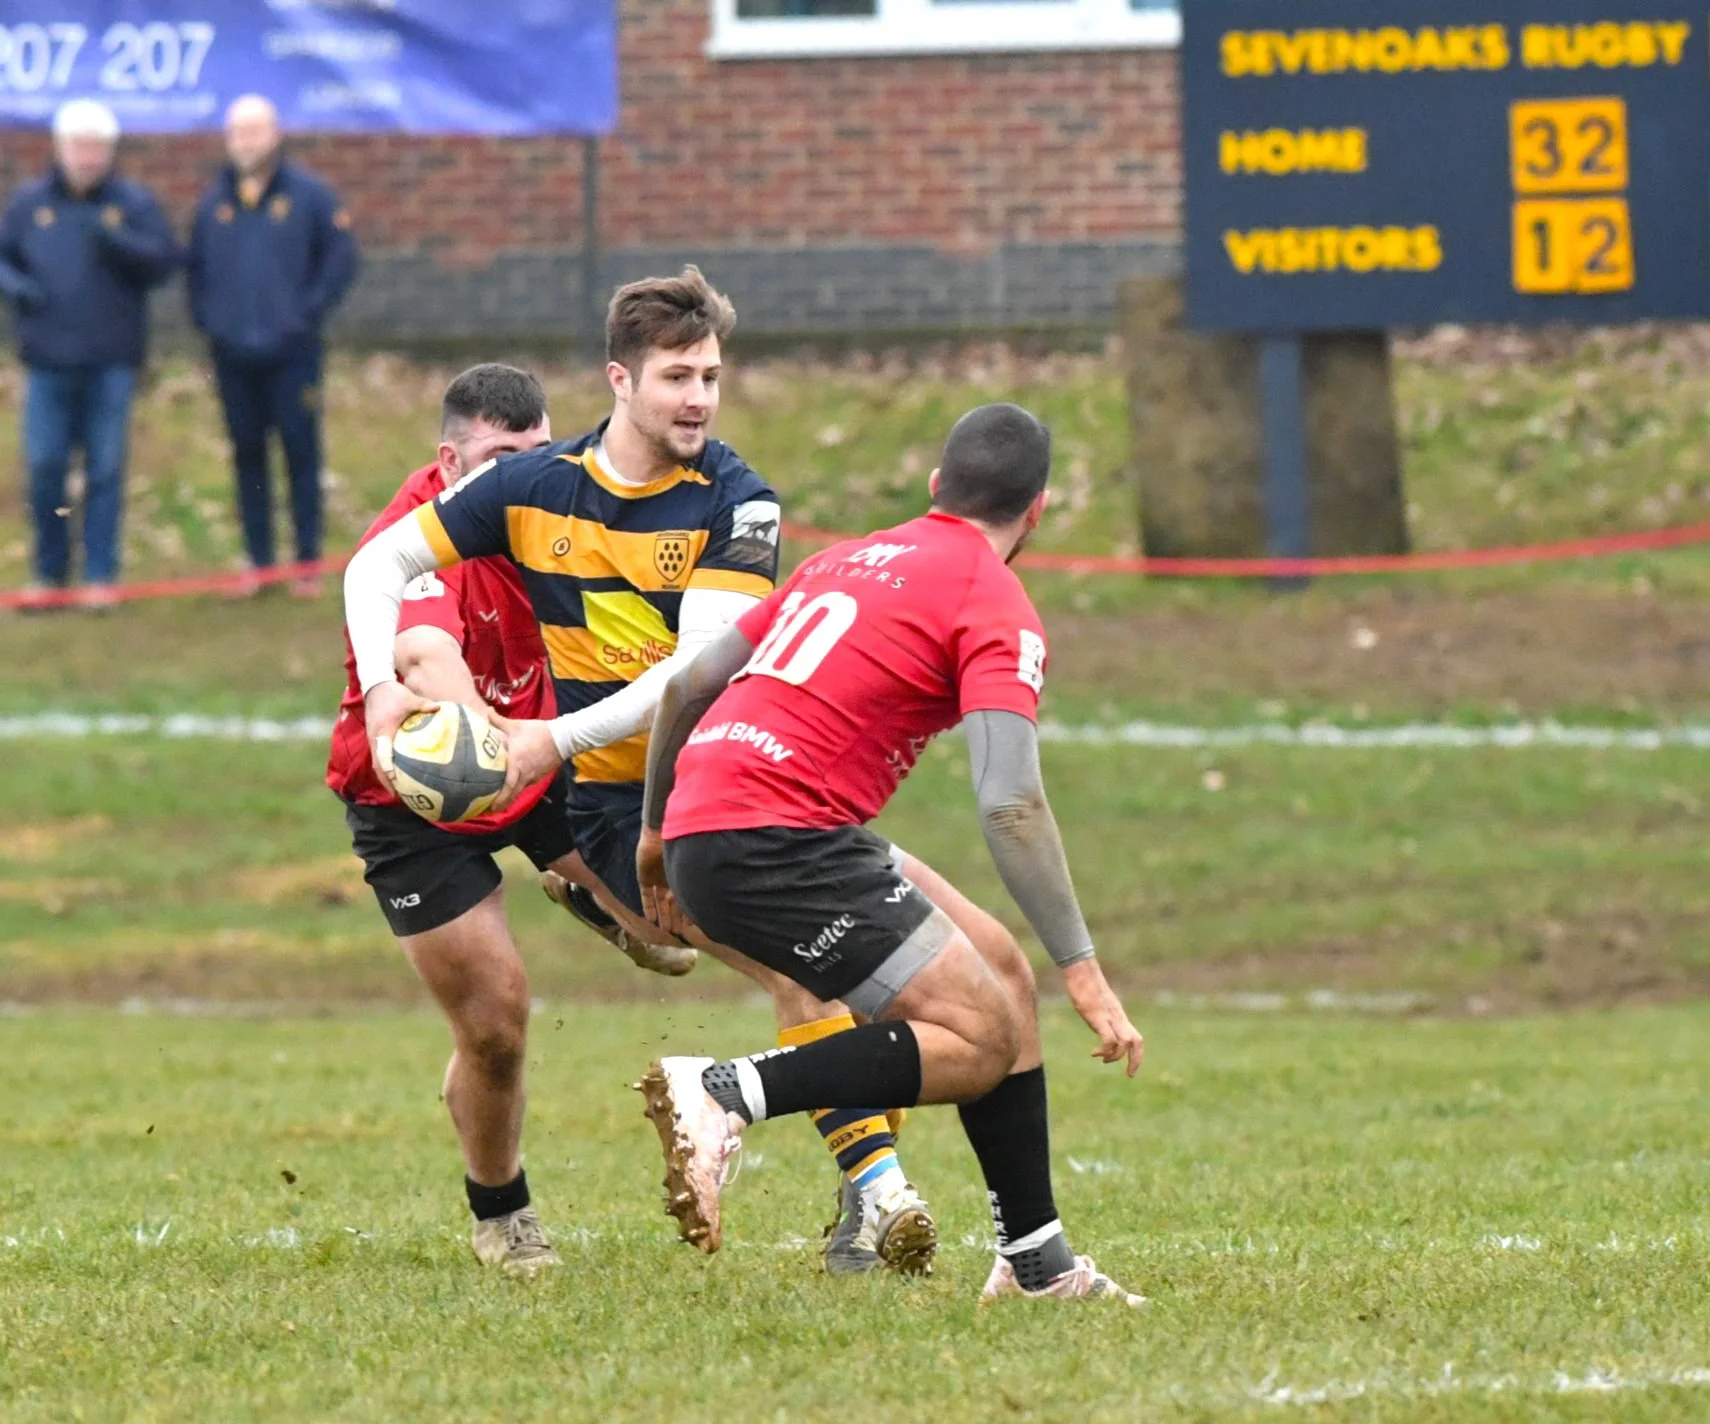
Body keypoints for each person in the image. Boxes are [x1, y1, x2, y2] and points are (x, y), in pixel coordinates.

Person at [340, 269, 940, 1277]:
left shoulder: (739, 503)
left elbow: (688, 676)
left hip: (702, 777)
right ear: (621, 380)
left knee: (853, 972)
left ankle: (859, 1194)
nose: (700, 397)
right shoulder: (528, 487)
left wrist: (545, 741)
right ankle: (873, 1196)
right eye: (677, 376)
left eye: (711, 375)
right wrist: (381, 693)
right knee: (773, 971)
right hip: (588, 799)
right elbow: (380, 574)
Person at [633, 403, 1149, 1304]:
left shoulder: (845, 556)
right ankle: (724, 1090)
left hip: (713, 821)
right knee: (980, 1042)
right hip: (777, 840)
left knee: (998, 969)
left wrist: (649, 837)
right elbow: (1012, 803)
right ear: (1038, 512)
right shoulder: (994, 602)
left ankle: (1036, 1265)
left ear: (934, 488)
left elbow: (686, 685)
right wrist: (1087, 968)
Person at [328, 363, 697, 1276]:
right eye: (497, 460)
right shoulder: (413, 535)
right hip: (415, 799)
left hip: (540, 762)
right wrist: (489, 739)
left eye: (533, 457)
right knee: (495, 1021)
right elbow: (424, 650)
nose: (516, 478)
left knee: (675, 933)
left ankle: (587, 892)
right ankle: (502, 1215)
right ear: (448, 462)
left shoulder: (558, 510)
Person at [0, 99, 180, 609]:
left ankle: (99, 576)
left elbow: (162, 263)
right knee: (46, 465)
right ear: (60, 149)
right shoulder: (31, 204)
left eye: (96, 149)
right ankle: (48, 575)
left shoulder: (131, 204)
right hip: (47, 360)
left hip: (110, 359)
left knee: (105, 469)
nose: (87, 158)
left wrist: (117, 240)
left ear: (110, 153)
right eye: (78, 147)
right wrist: (17, 288)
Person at [189, 94, 361, 596]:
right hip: (233, 355)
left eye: (255, 132)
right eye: (238, 133)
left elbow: (341, 259)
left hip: (293, 353)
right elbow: (196, 272)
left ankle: (305, 562)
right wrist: (212, 325)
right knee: (247, 454)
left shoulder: (309, 196)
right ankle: (259, 563)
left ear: (276, 134)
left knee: (300, 451)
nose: (246, 143)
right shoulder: (214, 202)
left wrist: (304, 315)